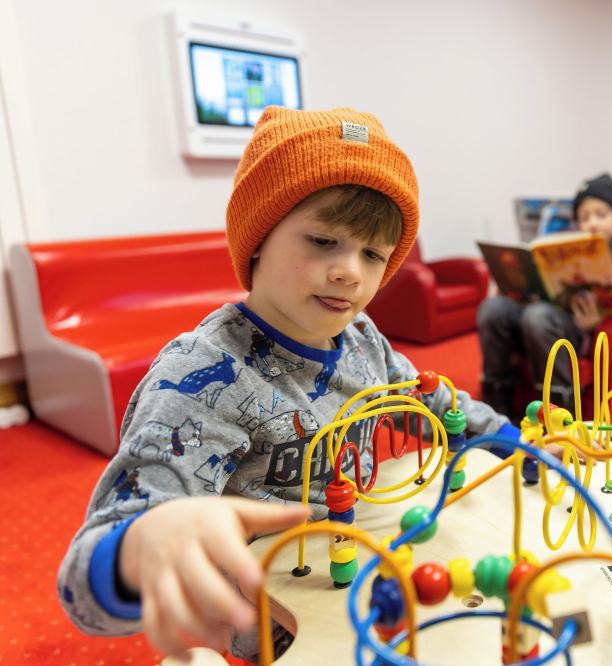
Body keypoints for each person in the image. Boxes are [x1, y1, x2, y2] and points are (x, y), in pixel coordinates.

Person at [57, 107, 519, 661]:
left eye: (373, 254)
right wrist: (133, 551)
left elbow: (431, 398)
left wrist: (511, 441)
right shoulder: (200, 374)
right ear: (258, 239)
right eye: (323, 241)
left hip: (360, 568)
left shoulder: (363, 338)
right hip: (280, 626)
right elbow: (82, 584)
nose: (350, 271)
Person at [477, 173, 612, 419]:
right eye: (584, 217)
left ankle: (559, 412)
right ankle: (498, 406)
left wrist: (596, 325)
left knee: (538, 317)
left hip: (579, 332)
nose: (592, 223)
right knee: (493, 309)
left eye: (601, 214)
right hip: (544, 317)